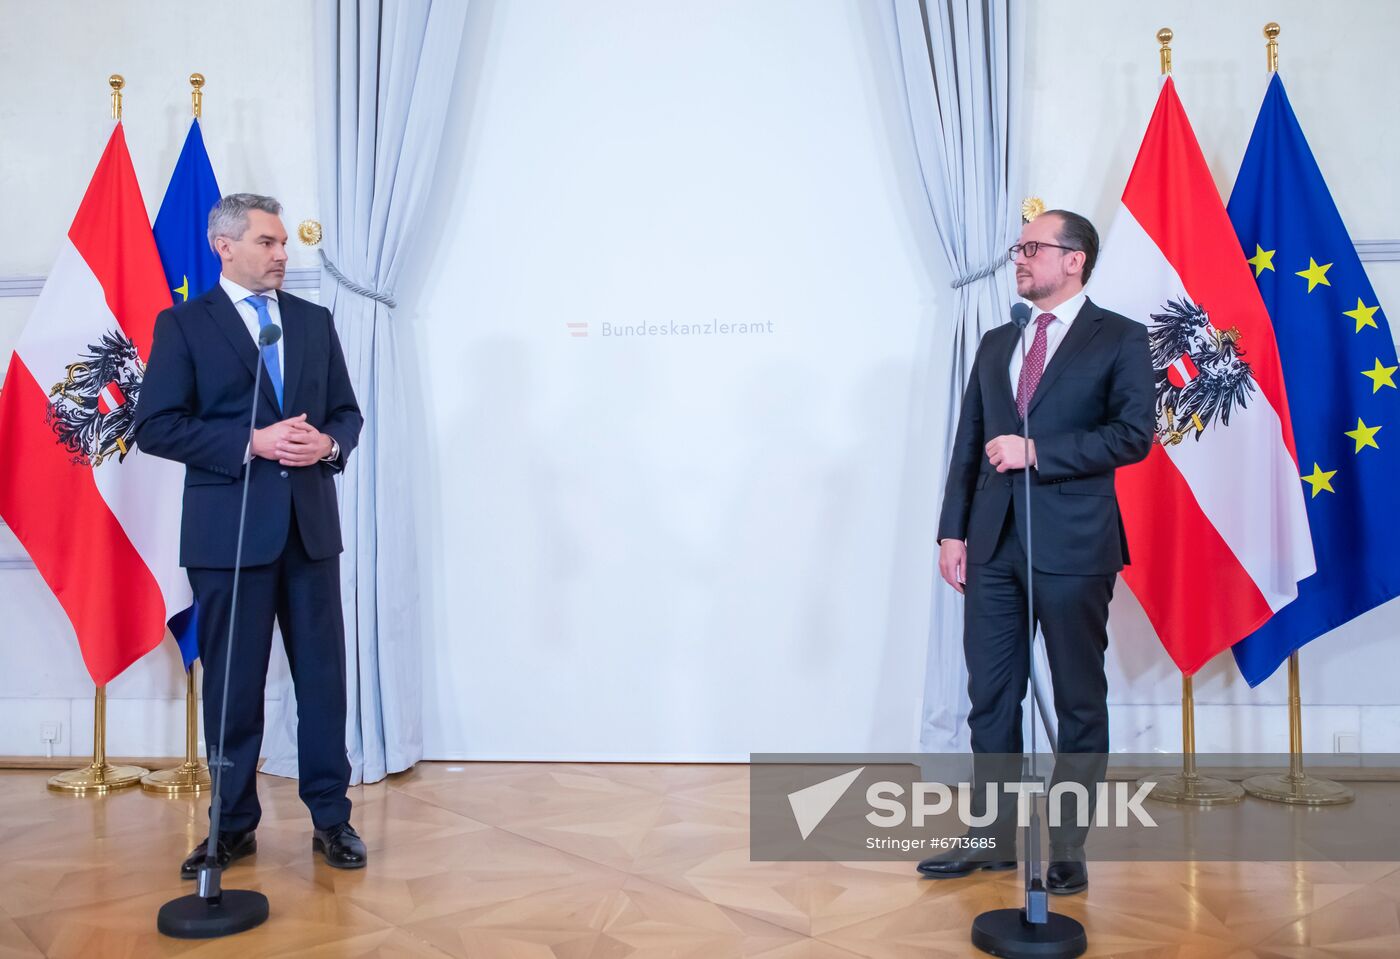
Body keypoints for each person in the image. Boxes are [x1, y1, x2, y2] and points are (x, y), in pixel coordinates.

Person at [916, 210, 1154, 894]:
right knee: (990, 696)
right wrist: (952, 532)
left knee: (1078, 699)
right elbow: (969, 442)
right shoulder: (998, 342)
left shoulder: (1120, 338)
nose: (1018, 258)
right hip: (991, 546)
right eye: (1018, 249)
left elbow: (1132, 435)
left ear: (1074, 260)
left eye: (1032, 248)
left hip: (1076, 545)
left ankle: (1069, 844)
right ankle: (990, 834)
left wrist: (1039, 452)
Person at [134, 193, 366, 878]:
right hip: (228, 536)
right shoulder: (183, 325)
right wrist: (251, 441)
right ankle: (231, 826)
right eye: (268, 242)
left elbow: (347, 415)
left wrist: (327, 442)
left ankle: (332, 818)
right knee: (233, 686)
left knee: (324, 682)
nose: (282, 254)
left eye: (285, 243)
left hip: (309, 532)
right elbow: (156, 425)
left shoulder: (313, 322)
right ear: (224, 245)